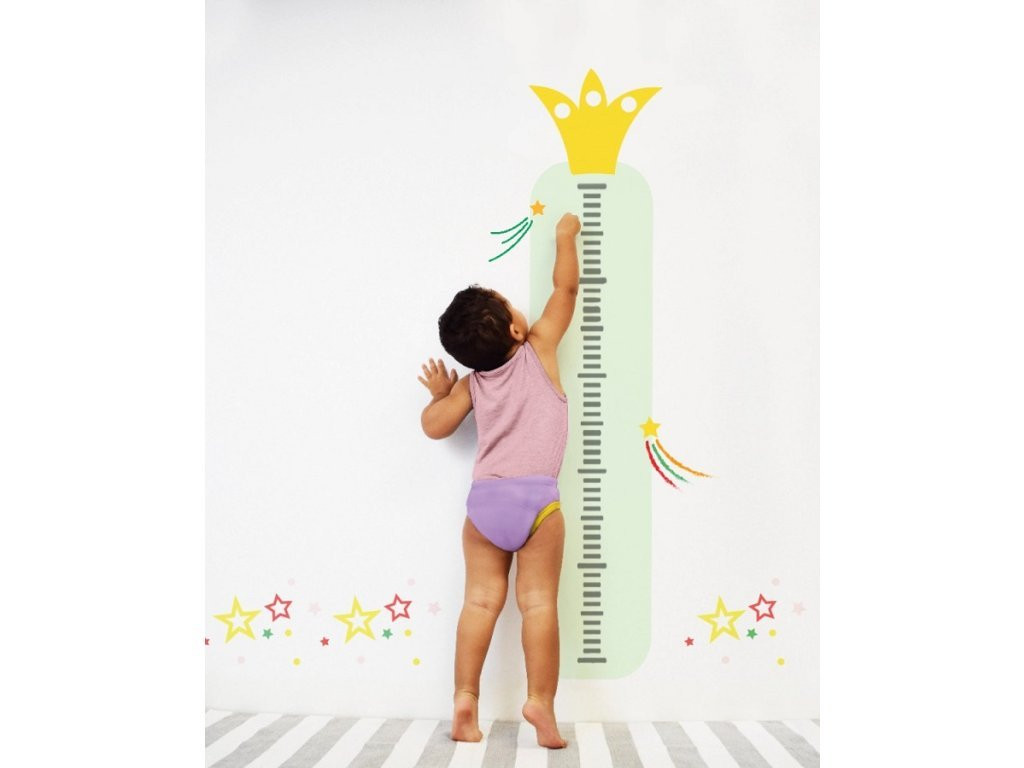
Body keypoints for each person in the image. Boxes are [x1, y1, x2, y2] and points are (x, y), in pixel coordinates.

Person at [417, 212, 581, 748]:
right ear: (514, 329)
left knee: (480, 604)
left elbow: (434, 427)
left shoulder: (472, 384)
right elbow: (565, 288)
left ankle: (465, 700)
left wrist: (442, 395)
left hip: (485, 505)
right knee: (538, 604)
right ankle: (540, 703)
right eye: (510, 304)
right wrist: (565, 237)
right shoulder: (540, 348)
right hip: (537, 504)